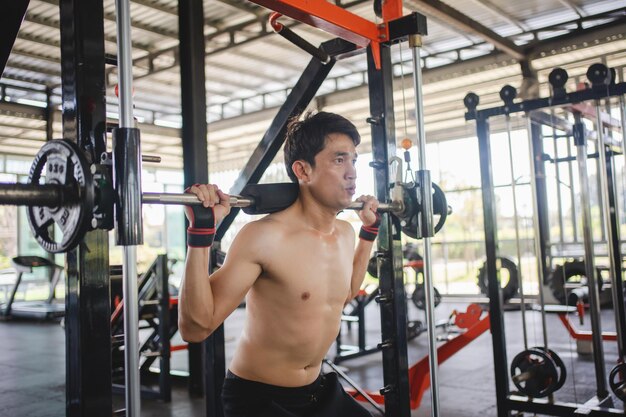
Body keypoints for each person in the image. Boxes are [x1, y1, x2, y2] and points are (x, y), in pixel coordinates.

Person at [179, 111, 379, 417]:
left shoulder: (345, 232)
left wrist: (368, 233)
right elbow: (196, 328)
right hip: (258, 399)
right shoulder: (264, 237)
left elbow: (347, 292)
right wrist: (201, 234)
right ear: (303, 170)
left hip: (316, 391)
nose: (352, 172)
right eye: (339, 160)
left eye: (354, 160)